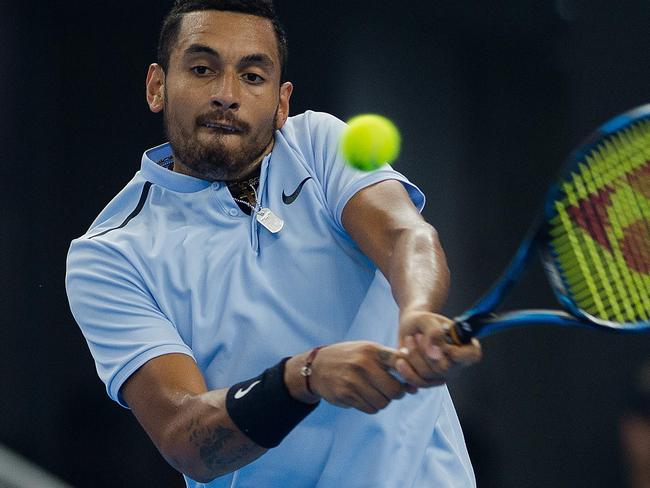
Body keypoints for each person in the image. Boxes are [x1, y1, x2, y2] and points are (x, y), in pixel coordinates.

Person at [65, 1, 482, 486]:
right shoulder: (110, 255)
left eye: (253, 77)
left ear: (282, 103)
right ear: (157, 85)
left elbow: (405, 235)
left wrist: (417, 311)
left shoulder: (321, 144)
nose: (227, 95)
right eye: (203, 69)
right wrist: (301, 377)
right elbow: (185, 438)